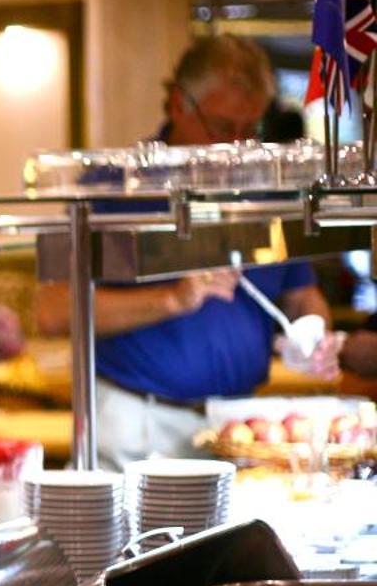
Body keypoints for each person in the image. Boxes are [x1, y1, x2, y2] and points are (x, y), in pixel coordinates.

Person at [36, 36, 338, 470]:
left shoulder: (268, 190)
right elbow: (52, 312)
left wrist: (312, 333)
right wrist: (173, 299)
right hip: (138, 427)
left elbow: (301, 294)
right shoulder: (109, 186)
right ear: (179, 104)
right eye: (220, 127)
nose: (233, 146)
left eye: (248, 130)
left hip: (237, 428)